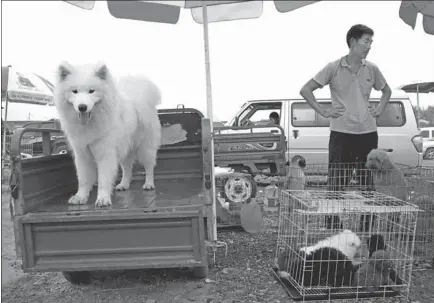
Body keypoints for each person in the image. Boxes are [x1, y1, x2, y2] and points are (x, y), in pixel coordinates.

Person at [299, 24, 392, 191]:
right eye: (366, 41)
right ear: (353, 41)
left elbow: (387, 91)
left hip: (368, 133)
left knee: (368, 182)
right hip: (341, 134)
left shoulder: (372, 68)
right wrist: (323, 111)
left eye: (371, 42)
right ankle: (332, 218)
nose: (369, 46)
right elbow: (306, 90)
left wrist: (380, 109)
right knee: (337, 182)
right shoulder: (333, 68)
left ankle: (367, 218)